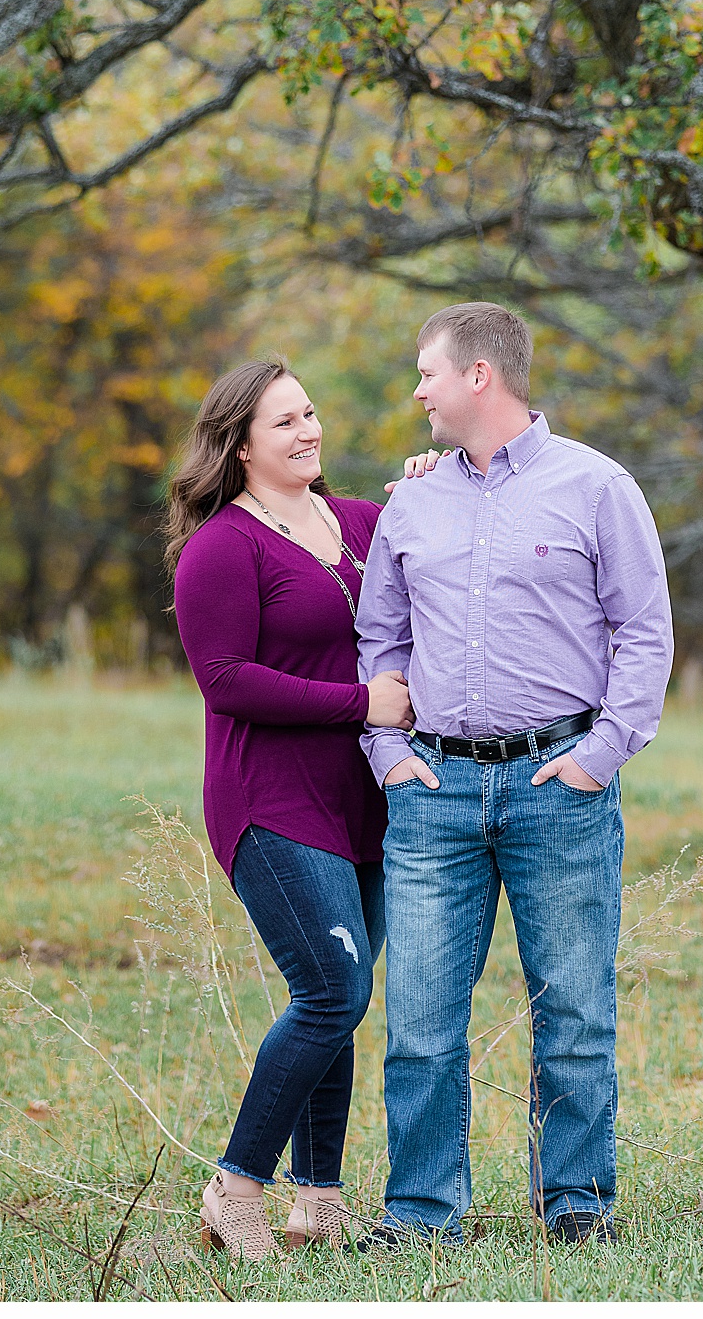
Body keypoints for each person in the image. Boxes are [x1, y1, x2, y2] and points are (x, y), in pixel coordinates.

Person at [355, 302, 673, 1248]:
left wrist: (600, 756)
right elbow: (383, 637)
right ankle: (419, 1215)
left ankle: (575, 1205)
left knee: (574, 1011)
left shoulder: (597, 487)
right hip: (434, 793)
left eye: (428, 373)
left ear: (479, 377)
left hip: (557, 787)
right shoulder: (412, 500)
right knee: (418, 1021)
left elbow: (644, 631)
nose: (417, 390)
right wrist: (391, 756)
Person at [167, 358, 425, 1260]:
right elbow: (226, 681)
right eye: (284, 423)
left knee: (338, 1000)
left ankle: (319, 1200)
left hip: (366, 800)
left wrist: (433, 485)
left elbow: (434, 562)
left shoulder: (362, 520)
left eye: (310, 413)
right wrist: (365, 705)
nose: (308, 431)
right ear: (240, 446)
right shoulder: (222, 549)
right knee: (333, 988)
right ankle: (236, 1189)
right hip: (270, 801)